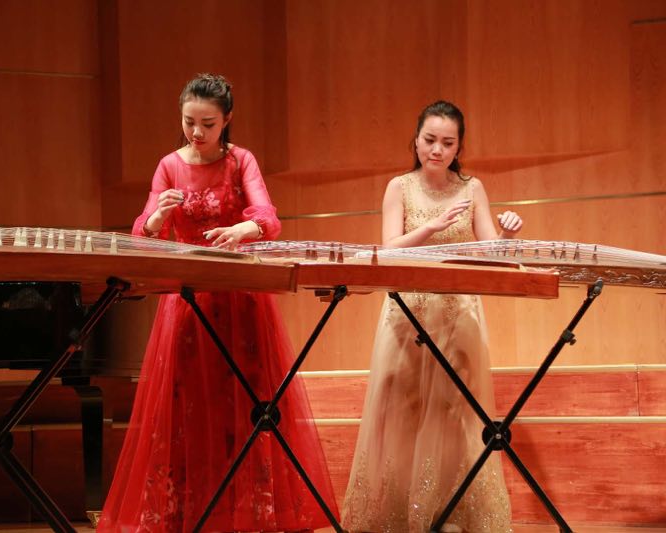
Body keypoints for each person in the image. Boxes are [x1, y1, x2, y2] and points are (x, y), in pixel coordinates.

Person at [97, 73, 338, 532]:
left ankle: (245, 511)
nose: (196, 132)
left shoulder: (240, 160)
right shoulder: (169, 166)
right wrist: (158, 216)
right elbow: (142, 232)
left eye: (207, 123)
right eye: (189, 121)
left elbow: (268, 218)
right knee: (186, 405)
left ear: (227, 119)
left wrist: (244, 229)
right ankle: (189, 513)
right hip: (188, 300)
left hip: (238, 299)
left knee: (243, 403)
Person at [341, 101, 521, 533]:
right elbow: (388, 249)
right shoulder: (399, 187)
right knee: (401, 407)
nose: (437, 150)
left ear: (459, 147)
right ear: (416, 140)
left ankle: (449, 509)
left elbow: (490, 251)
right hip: (408, 311)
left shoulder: (472, 188)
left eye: (447, 143)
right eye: (429, 140)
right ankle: (402, 512)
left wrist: (508, 233)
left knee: (454, 409)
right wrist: (431, 228)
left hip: (457, 312)